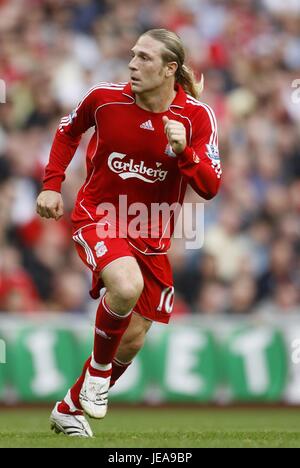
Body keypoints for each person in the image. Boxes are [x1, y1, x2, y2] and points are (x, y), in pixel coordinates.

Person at [36, 28, 222, 437]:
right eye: (132, 55)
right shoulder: (103, 99)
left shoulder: (196, 118)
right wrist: (52, 184)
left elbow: (210, 186)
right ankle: (98, 374)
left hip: (152, 236)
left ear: (170, 69)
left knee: (134, 338)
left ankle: (69, 407)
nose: (132, 65)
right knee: (125, 285)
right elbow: (68, 130)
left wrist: (184, 152)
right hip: (98, 215)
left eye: (144, 58)